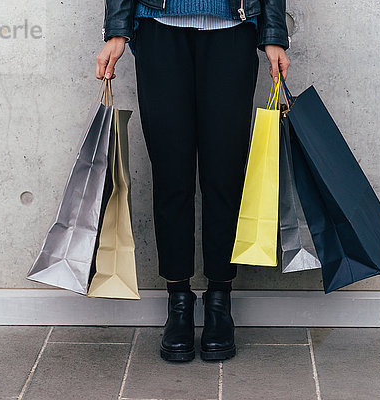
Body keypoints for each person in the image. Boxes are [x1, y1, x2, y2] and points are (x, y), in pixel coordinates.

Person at [96, 0, 290, 362]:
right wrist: (118, 30)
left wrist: (273, 34)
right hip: (158, 30)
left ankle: (220, 302)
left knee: (225, 175)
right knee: (171, 176)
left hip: (233, 30)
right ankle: (178, 303)